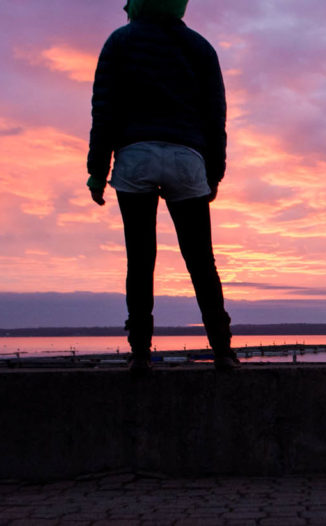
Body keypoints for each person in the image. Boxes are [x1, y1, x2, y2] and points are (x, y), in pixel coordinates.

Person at [86, 0, 239, 373]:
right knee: (202, 261)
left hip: (135, 155)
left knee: (140, 259)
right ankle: (223, 352)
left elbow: (103, 110)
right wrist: (214, 172)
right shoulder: (200, 47)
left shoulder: (119, 42)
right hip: (187, 158)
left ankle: (140, 354)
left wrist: (96, 169)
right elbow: (215, 113)